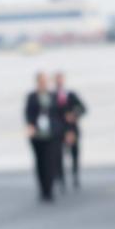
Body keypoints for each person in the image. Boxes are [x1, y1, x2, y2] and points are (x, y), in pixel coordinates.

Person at [25, 70, 61, 201]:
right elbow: (28, 113)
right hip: (38, 135)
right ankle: (43, 189)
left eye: (45, 81)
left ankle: (50, 189)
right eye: (41, 81)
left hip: (52, 134)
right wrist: (30, 126)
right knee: (40, 162)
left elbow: (59, 114)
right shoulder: (32, 96)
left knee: (50, 162)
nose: (43, 83)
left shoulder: (53, 95)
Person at [55, 70, 87, 188]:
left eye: (61, 79)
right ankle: (61, 178)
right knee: (58, 155)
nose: (59, 81)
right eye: (57, 79)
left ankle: (75, 176)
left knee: (74, 154)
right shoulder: (52, 95)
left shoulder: (71, 95)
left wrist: (74, 115)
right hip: (59, 131)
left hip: (72, 129)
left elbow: (83, 108)